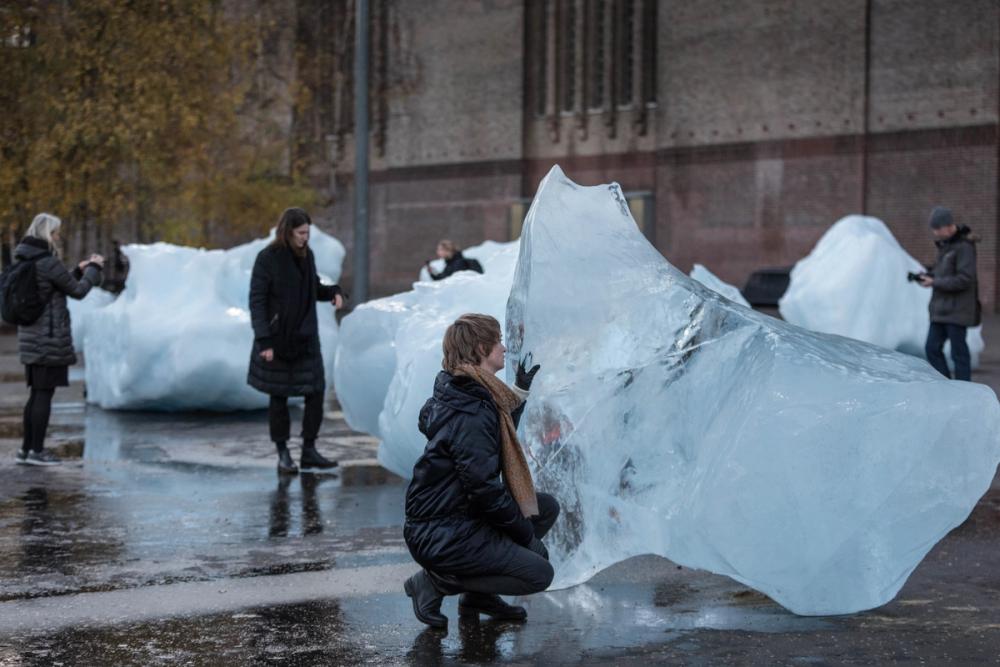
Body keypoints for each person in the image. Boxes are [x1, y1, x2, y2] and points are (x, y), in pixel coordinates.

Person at [402, 313, 557, 629]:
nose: (503, 347)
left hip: (458, 517)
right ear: (480, 349)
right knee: (539, 573)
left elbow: (495, 439)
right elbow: (484, 488)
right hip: (443, 531)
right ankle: (434, 583)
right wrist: (525, 537)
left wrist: (520, 390)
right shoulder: (471, 409)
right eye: (497, 341)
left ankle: (479, 596)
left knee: (545, 508)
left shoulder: (471, 393)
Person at [248, 208, 344, 474]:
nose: (305, 238)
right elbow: (257, 301)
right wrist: (264, 340)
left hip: (305, 338)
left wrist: (333, 292)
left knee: (316, 392)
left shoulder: (306, 255)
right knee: (278, 397)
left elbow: (312, 287)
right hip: (277, 339)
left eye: (308, 233)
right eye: (301, 233)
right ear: (287, 231)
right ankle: (282, 454)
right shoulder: (267, 258)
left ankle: (309, 450)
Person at [15, 213, 104, 466]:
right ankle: (37, 452)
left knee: (36, 394)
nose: (58, 237)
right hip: (48, 339)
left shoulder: (26, 260)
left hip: (31, 338)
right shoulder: (47, 262)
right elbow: (77, 292)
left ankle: (26, 450)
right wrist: (94, 270)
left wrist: (77, 270)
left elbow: (58, 284)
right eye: (55, 232)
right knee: (44, 395)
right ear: (47, 234)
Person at [918, 206, 980, 381]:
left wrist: (935, 282)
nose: (935, 233)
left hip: (958, 311)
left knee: (958, 353)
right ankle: (947, 386)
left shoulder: (964, 247)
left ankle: (964, 391)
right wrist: (929, 275)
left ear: (947, 225)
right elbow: (944, 273)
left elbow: (965, 279)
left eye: (937, 228)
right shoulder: (946, 246)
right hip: (941, 310)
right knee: (931, 348)